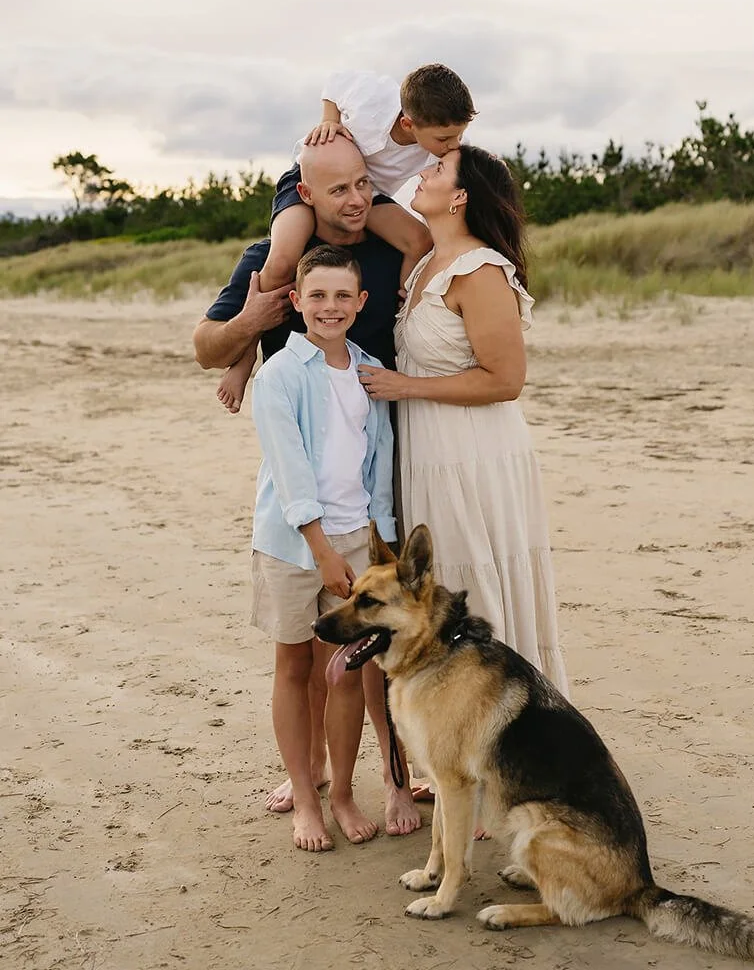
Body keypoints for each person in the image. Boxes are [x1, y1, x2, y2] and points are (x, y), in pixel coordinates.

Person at [193, 135, 422, 831]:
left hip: (380, 460)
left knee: (368, 653)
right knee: (310, 653)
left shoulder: (388, 249)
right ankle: (317, 775)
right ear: (304, 195)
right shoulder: (270, 266)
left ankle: (392, 780)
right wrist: (250, 334)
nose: (357, 200)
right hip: (306, 497)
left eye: (364, 186)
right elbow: (207, 347)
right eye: (340, 190)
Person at [358, 144, 569, 696]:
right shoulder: (427, 258)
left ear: (460, 197)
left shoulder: (480, 270)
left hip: (474, 452)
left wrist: (408, 387)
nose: (422, 172)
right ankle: (455, 734)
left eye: (437, 169)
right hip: (427, 452)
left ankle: (505, 724)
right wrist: (333, 123)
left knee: (477, 581)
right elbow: (354, 190)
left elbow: (506, 379)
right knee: (441, 587)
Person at [250, 243, 418, 851]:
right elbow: (291, 471)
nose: (330, 306)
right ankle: (305, 797)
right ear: (296, 301)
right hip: (294, 543)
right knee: (295, 665)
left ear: (361, 302)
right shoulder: (279, 376)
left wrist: (385, 544)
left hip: (354, 543)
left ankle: (343, 793)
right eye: (317, 295)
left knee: (348, 674)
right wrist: (320, 547)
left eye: (342, 295)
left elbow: (377, 469)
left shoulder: (368, 371)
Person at [216, 64, 477, 414]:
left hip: (366, 192)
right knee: (281, 259)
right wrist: (329, 119)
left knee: (418, 239)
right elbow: (336, 82)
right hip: (309, 182)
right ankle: (245, 355)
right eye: (445, 139)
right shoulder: (376, 102)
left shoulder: (440, 143)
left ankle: (404, 308)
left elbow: (465, 165)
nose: (452, 145)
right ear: (408, 124)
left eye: (458, 136)